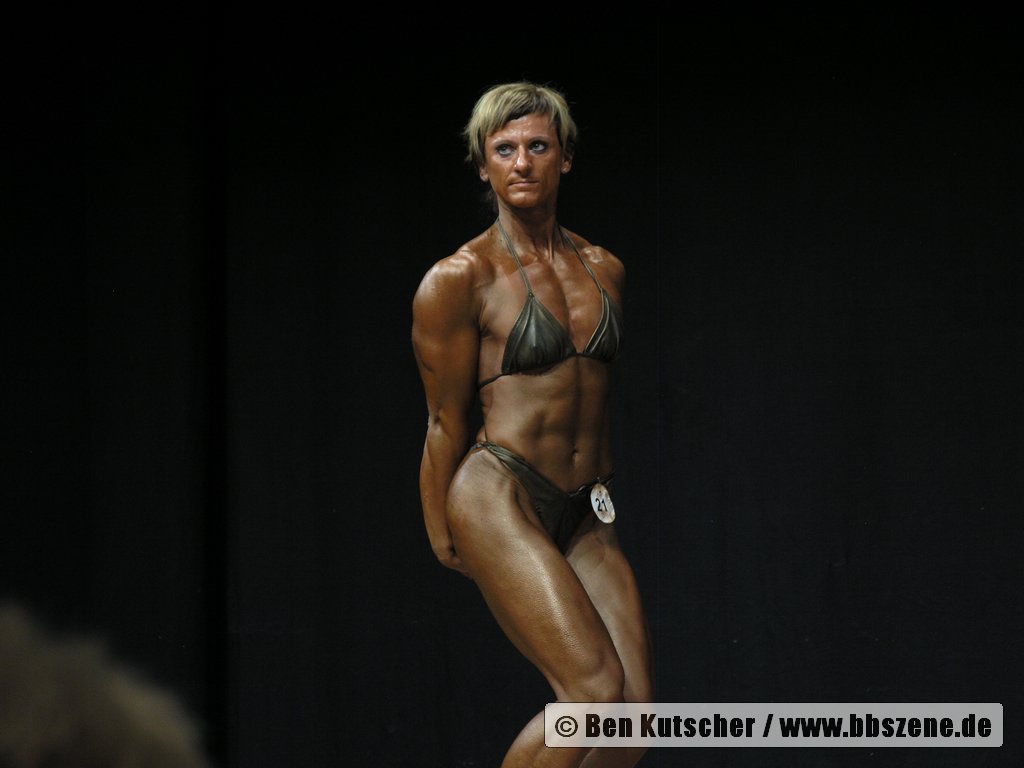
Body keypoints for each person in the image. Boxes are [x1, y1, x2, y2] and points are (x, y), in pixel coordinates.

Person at [412, 81, 653, 768]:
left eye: (538, 146)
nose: (522, 162)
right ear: (483, 166)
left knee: (633, 726)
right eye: (505, 149)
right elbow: (444, 418)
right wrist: (441, 525)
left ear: (565, 158)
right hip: (500, 494)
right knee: (593, 694)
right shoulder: (459, 278)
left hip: (586, 507)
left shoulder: (605, 268)